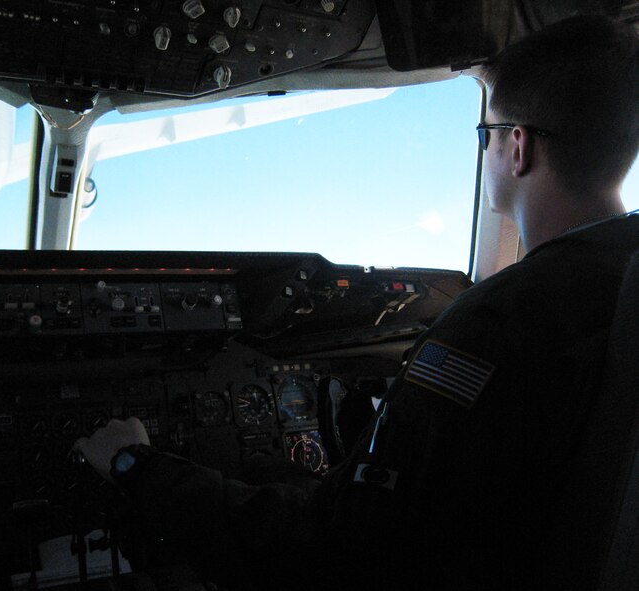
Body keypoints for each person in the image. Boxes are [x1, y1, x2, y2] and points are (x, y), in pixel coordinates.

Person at [75, 15, 639, 590]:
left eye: (484, 133)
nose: (486, 148)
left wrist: (137, 467)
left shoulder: (501, 322)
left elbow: (331, 552)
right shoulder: (614, 286)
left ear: (516, 147)